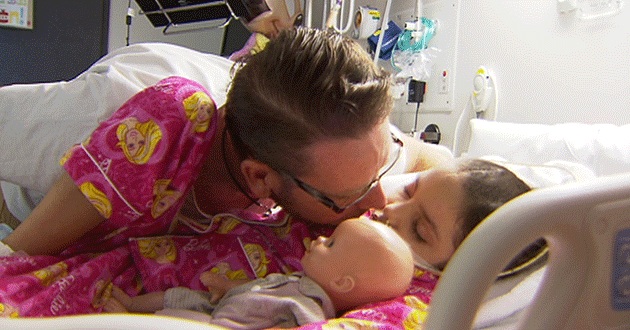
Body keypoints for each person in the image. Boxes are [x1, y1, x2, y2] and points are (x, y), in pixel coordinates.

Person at [0, 27, 445, 319]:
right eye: (347, 197)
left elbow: (438, 162)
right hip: (26, 192)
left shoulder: (346, 142)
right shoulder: (139, 118)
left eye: (380, 172)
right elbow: (20, 258)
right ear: (259, 179)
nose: (378, 204)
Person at [103, 217, 414, 329]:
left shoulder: (309, 307)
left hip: (223, 325)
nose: (319, 239)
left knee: (174, 321)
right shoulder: (299, 282)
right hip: (223, 304)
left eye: (330, 244)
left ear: (341, 283)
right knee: (179, 297)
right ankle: (131, 306)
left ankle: (124, 320)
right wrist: (228, 286)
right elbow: (261, 289)